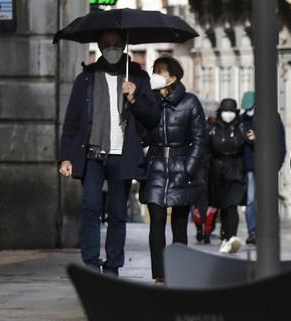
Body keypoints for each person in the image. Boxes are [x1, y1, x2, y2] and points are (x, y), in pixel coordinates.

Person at [58, 30, 152, 276]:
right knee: (91, 206)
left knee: (118, 213)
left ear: (123, 45)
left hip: (123, 153)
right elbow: (72, 120)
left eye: (116, 43)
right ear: (99, 46)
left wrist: (134, 98)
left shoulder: (138, 77)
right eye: (106, 44)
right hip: (93, 154)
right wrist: (65, 156)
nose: (111, 48)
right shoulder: (86, 78)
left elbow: (152, 117)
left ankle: (113, 265)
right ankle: (90, 261)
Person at [133, 57, 206, 284]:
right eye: (154, 71)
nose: (156, 75)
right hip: (155, 165)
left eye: (161, 72)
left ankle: (180, 270)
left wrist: (189, 167)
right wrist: (134, 102)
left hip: (180, 165)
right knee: (155, 221)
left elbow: (199, 139)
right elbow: (140, 134)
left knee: (179, 224)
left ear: (173, 77)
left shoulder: (190, 102)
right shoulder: (149, 102)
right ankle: (160, 273)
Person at [239, 90, 286, 245]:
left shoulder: (271, 117)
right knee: (251, 201)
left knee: (266, 200)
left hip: (267, 166)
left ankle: (267, 231)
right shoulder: (243, 119)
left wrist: (276, 164)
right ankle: (253, 231)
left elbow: (279, 142)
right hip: (250, 167)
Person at [207, 98, 248, 253]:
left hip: (237, 172)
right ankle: (225, 236)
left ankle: (231, 237)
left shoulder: (242, 127)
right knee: (223, 206)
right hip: (217, 173)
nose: (228, 114)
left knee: (232, 205)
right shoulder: (212, 128)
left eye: (231, 111)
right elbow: (207, 149)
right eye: (225, 111)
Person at [193, 111, 217, 245]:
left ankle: (203, 230)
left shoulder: (197, 132)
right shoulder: (210, 132)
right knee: (206, 204)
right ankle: (205, 230)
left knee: (200, 204)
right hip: (205, 171)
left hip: (203, 171)